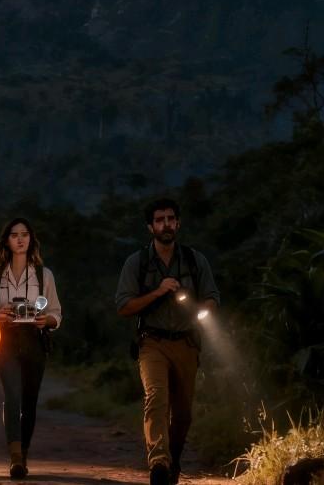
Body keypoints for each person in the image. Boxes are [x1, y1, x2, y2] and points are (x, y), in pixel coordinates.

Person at [115, 197, 219, 485]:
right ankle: (158, 463)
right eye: (159, 220)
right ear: (150, 227)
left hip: (186, 341)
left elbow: (212, 297)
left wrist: (201, 311)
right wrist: (159, 292)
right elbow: (124, 307)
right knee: (156, 399)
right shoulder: (137, 262)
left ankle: (172, 458)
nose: (166, 224)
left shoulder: (195, 260)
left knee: (183, 413)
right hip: (152, 341)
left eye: (171, 218)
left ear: (178, 223)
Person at [0, 217, 61, 479]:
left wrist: (44, 320)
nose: (19, 239)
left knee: (29, 401)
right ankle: (15, 457)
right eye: (14, 234)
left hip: (34, 339)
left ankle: (23, 453)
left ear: (31, 240)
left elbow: (56, 313)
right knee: (12, 396)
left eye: (24, 234)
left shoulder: (43, 274)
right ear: (6, 240)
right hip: (5, 341)